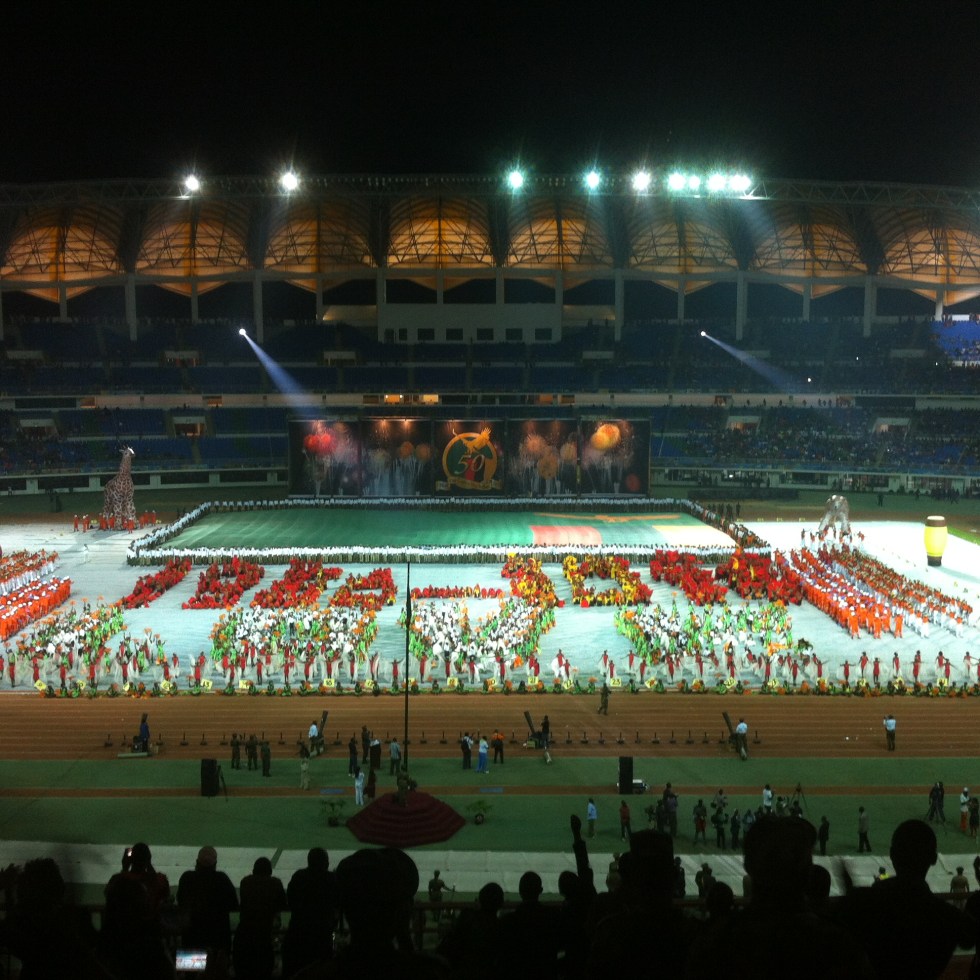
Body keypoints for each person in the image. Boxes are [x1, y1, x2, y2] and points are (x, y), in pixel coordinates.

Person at [282, 847, 340, 979]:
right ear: (325, 863)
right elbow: (339, 901)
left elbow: (290, 900)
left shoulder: (299, 876)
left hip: (298, 932)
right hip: (322, 935)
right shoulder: (331, 879)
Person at [176, 846, 239, 963]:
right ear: (215, 864)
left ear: (197, 862)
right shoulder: (222, 879)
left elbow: (180, 900)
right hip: (217, 941)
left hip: (192, 939)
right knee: (217, 970)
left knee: (191, 971)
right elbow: (234, 905)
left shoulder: (187, 878)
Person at [232, 856, 288, 980]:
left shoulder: (245, 882)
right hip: (264, 935)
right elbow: (283, 905)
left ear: (254, 870)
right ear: (270, 871)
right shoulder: (275, 883)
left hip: (244, 934)